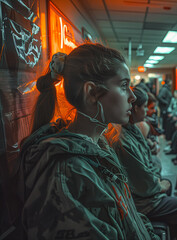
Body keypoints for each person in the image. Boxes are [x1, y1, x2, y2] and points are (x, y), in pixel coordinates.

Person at [19, 44, 159, 239]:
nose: (132, 97)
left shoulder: (99, 146)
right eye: (124, 86)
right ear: (92, 93)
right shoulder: (66, 170)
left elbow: (128, 214)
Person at [107, 87, 177, 240]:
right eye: (145, 107)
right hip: (140, 201)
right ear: (134, 107)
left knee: (168, 183)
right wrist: (158, 184)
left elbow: (149, 161)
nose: (148, 111)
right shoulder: (122, 139)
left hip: (144, 189)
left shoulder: (132, 129)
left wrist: (156, 177)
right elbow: (143, 180)